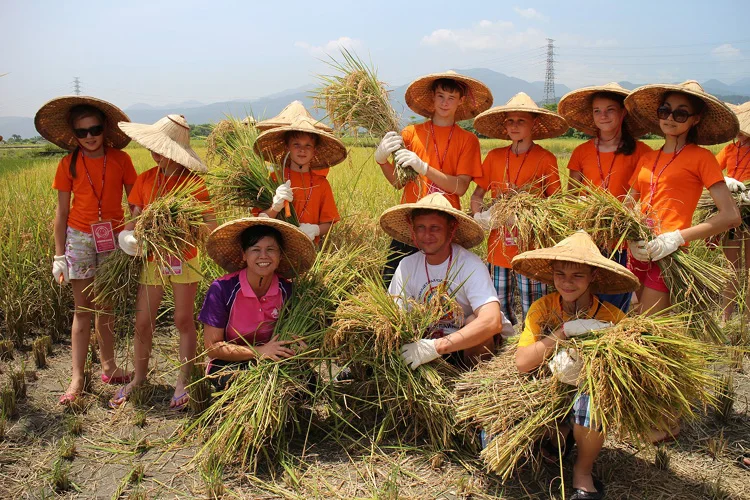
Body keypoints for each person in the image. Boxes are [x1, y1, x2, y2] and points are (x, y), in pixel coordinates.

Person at [513, 231, 640, 500]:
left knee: (591, 403)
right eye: (560, 274)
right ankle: (561, 431)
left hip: (587, 388)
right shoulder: (543, 308)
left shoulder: (612, 317)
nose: (567, 283)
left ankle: (582, 472)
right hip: (548, 386)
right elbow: (522, 363)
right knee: (535, 439)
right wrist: (563, 332)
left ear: (593, 276)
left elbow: (624, 370)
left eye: (577, 276)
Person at [110, 115, 216, 410]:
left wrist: (191, 228)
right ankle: (139, 378)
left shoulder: (194, 185)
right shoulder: (145, 180)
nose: (158, 155)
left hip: (185, 258)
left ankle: (183, 380)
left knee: (184, 320)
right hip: (152, 260)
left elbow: (210, 225)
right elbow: (132, 219)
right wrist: (127, 238)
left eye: (164, 150)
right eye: (155, 149)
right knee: (143, 321)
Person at [36, 96, 137, 404]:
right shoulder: (68, 164)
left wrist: (132, 231)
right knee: (83, 308)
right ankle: (77, 376)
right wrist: (58, 255)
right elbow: (62, 214)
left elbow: (136, 202)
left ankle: (108, 365)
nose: (90, 136)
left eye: (95, 129)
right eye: (82, 132)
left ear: (105, 129)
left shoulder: (121, 160)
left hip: (113, 238)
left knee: (105, 305)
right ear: (74, 135)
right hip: (79, 238)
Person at [624, 81, 741, 318]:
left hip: (668, 256)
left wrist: (676, 238)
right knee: (630, 320)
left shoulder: (701, 158)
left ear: (695, 119)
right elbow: (626, 205)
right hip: (638, 251)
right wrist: (631, 239)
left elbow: (731, 215)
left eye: (681, 113)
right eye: (665, 110)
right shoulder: (648, 158)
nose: (671, 118)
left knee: (649, 325)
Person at [374, 71, 493, 285]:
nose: (445, 103)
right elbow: (398, 182)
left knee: (438, 287)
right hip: (411, 220)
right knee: (392, 282)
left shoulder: (468, 141)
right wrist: (382, 161)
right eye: (440, 96)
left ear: (461, 101)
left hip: (444, 224)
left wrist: (424, 167)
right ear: (432, 97)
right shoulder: (411, 134)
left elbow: (460, 187)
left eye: (451, 98)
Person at [379, 193, 513, 369]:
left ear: (451, 229)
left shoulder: (469, 265)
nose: (427, 235)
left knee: (475, 321)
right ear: (413, 230)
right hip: (421, 347)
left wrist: (438, 346)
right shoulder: (407, 266)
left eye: (435, 227)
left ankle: (474, 386)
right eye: (421, 227)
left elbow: (492, 320)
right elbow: (393, 316)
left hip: (463, 346)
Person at [470, 92, 567, 324]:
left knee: (532, 303)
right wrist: (480, 216)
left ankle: (533, 343)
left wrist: (527, 215)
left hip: (531, 247)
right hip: (498, 247)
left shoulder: (545, 159)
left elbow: (557, 204)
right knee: (498, 303)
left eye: (521, 121)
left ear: (534, 123)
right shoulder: (494, 157)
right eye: (510, 121)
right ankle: (501, 346)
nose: (514, 126)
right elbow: (477, 195)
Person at [558, 83, 653, 312]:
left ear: (623, 113)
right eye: (597, 111)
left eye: (610, 109)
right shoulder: (582, 151)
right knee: (587, 296)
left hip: (622, 239)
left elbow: (647, 194)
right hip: (588, 237)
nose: (603, 115)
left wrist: (623, 216)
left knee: (615, 299)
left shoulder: (642, 152)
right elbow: (570, 195)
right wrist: (581, 210)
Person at [198, 217, 316, 389]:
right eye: (255, 249)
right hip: (231, 362)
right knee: (242, 385)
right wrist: (259, 352)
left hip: (274, 360)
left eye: (271, 249)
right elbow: (212, 347)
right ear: (244, 255)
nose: (263, 256)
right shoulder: (223, 289)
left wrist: (301, 350)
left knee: (310, 386)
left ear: (280, 255)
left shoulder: (288, 291)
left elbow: (296, 340)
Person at [253, 116, 346, 243]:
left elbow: (328, 223)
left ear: (314, 150)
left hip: (309, 248)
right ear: (287, 148)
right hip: (277, 247)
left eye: (308, 145)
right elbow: (259, 220)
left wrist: (315, 230)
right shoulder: (275, 178)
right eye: (296, 145)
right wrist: (275, 207)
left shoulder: (321, 184)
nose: (302, 150)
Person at [715, 101, 750, 322]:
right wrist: (725, 180)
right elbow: (712, 171)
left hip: (749, 207)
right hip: (732, 208)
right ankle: (727, 315)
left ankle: (747, 316)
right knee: (731, 266)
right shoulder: (730, 149)